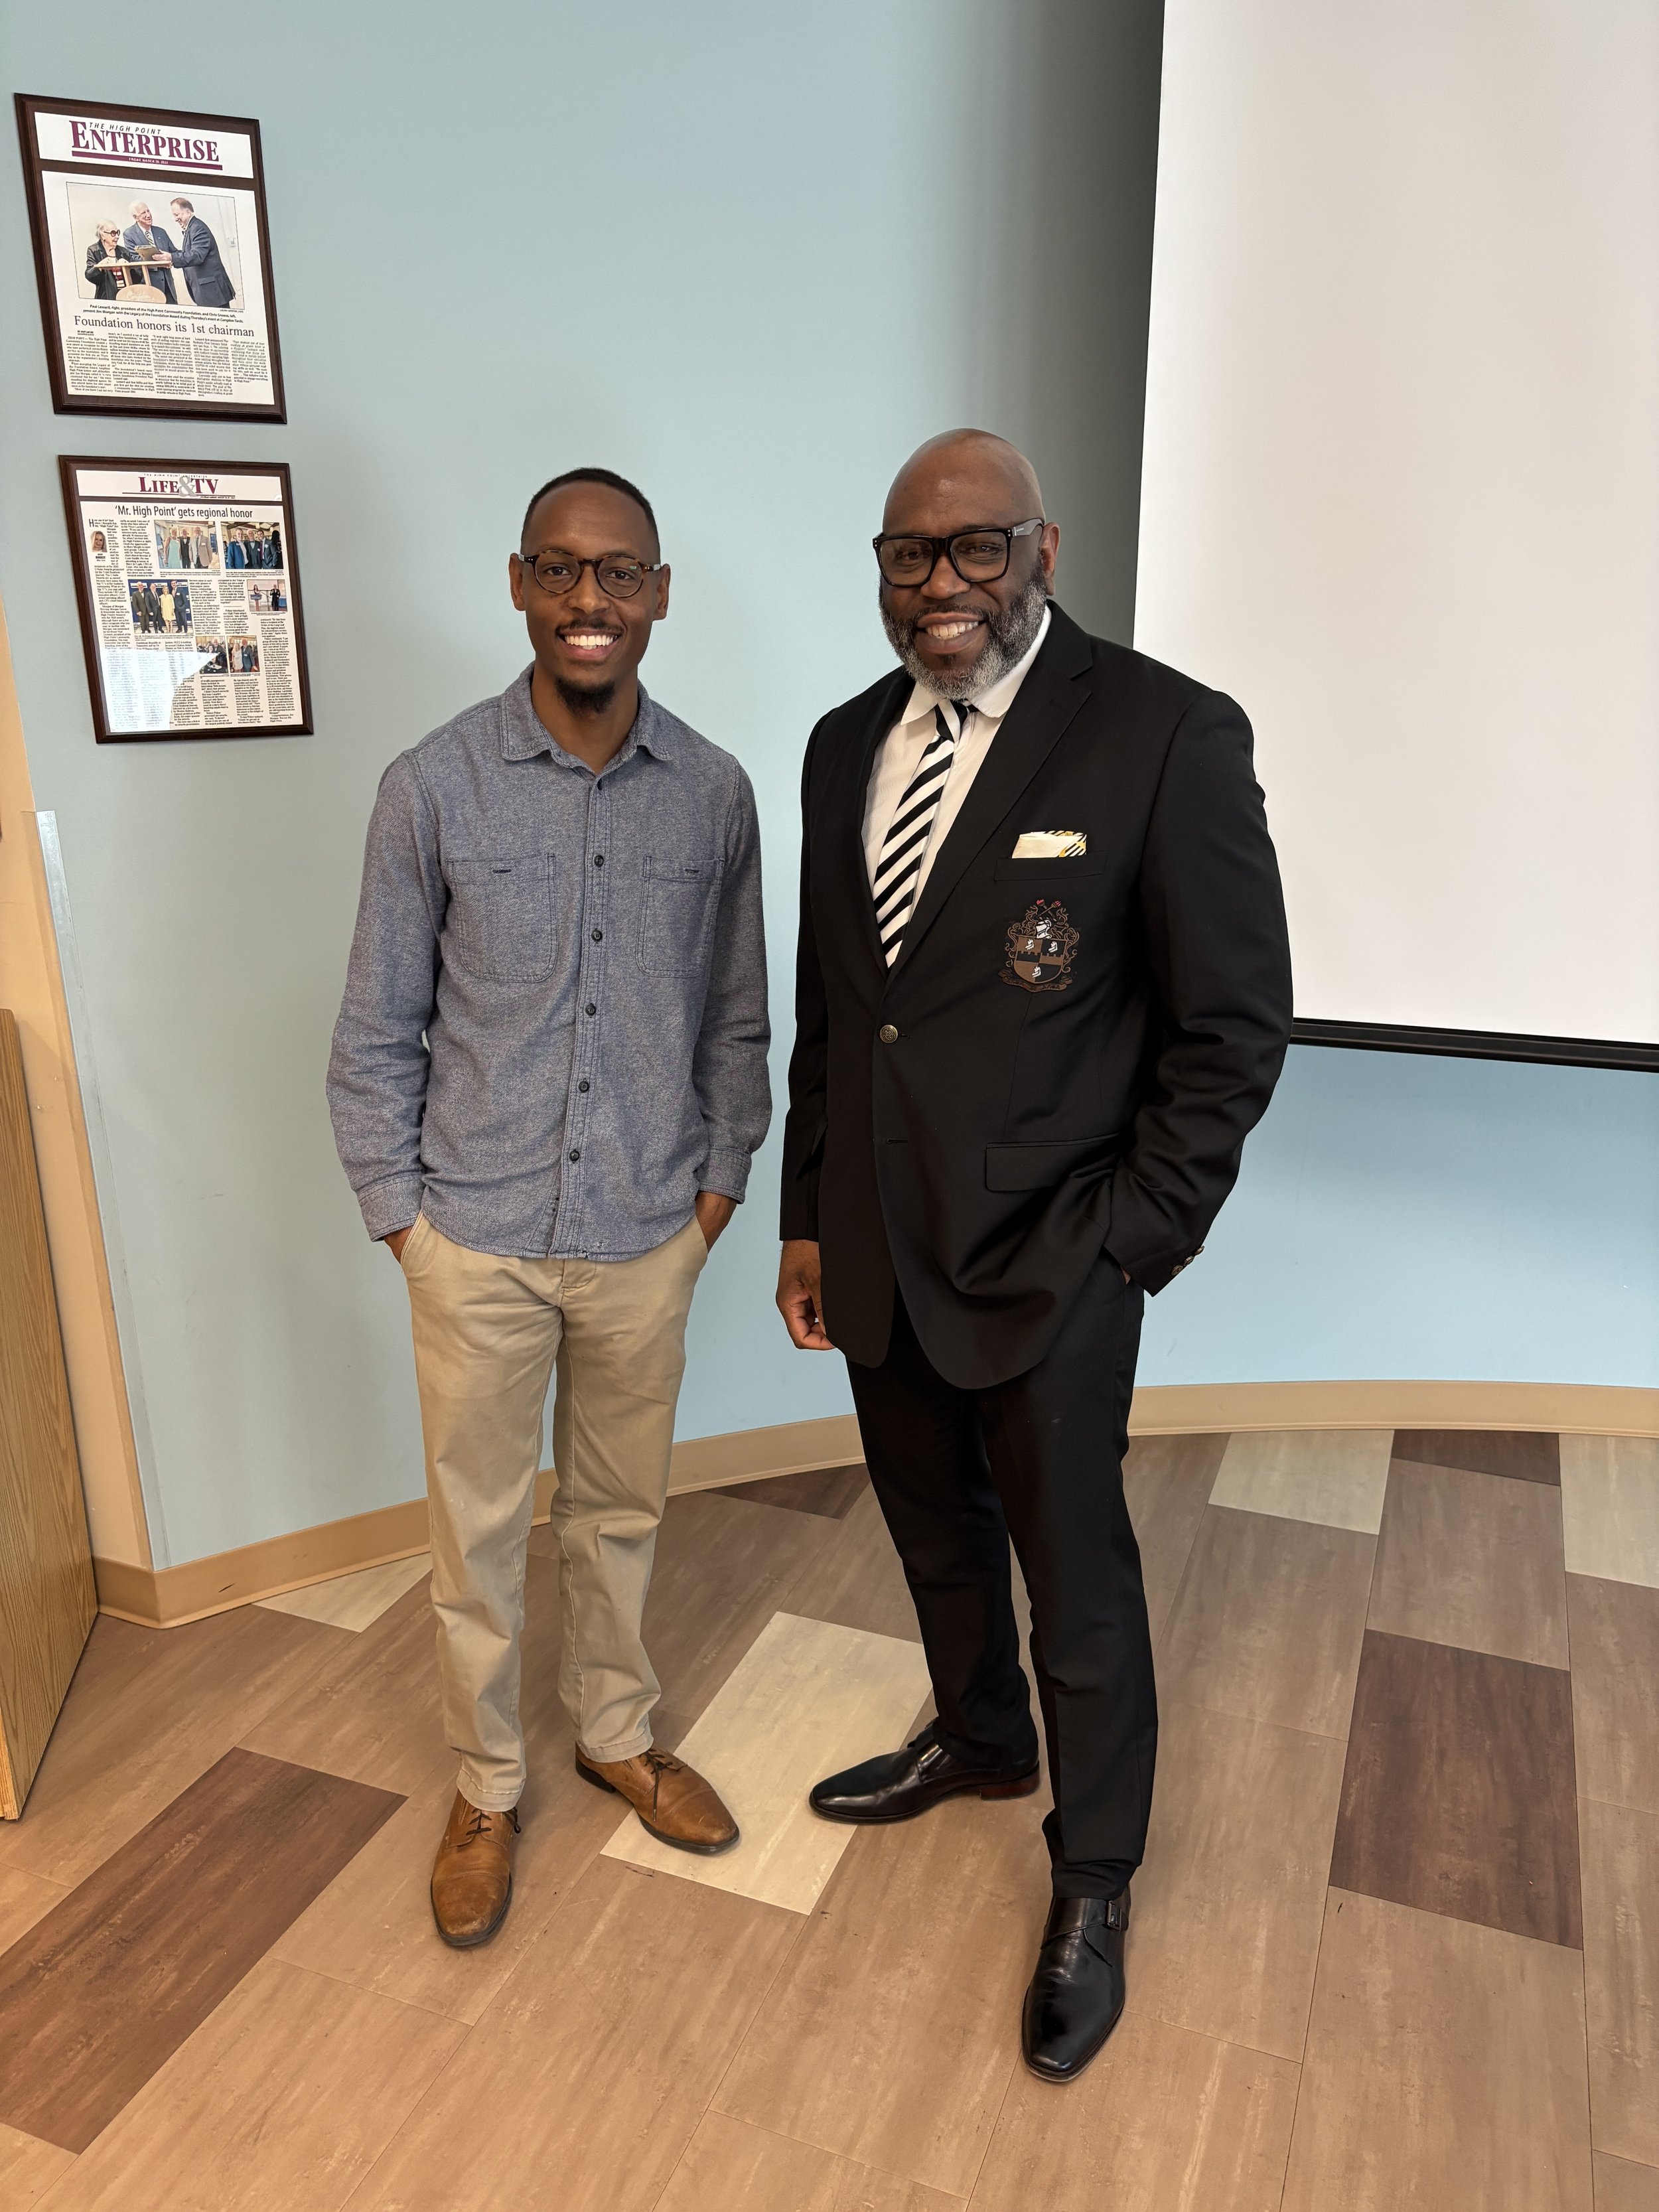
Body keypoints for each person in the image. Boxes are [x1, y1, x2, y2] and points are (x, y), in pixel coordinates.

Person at [777, 429, 1293, 2083]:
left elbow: (1231, 1029)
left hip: (1053, 1259)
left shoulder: (1163, 734)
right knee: (935, 1537)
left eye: (976, 548)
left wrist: (1131, 1243)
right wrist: (806, 1210)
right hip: (876, 1244)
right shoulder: (840, 743)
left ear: (1044, 547)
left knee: (1078, 1580)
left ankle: (1094, 1878)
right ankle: (981, 1742)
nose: (942, 584)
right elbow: (838, 1017)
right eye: (910, 554)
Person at [328, 465, 770, 1949]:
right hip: (477, 1238)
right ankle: (485, 1779)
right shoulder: (431, 785)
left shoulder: (712, 793)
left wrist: (714, 1193)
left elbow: (735, 1019)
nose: (592, 601)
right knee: (474, 1533)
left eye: (621, 574)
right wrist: (406, 1221)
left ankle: (616, 1733)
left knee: (620, 1515)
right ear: (518, 582)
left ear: (657, 594)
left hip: (647, 1232)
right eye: (563, 571)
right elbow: (377, 1027)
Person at [166, 198, 236, 308]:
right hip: (208, 293)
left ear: (188, 212)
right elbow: (191, 254)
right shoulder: (192, 228)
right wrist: (171, 257)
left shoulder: (198, 228)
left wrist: (172, 257)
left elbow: (197, 256)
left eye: (177, 215)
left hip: (212, 294)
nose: (175, 219)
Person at [122, 202, 178, 303]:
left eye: (148, 211)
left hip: (168, 287)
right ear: (136, 218)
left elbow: (174, 253)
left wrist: (175, 258)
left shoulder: (161, 232)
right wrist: (160, 261)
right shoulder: (129, 234)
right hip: (148, 287)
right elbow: (133, 259)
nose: (148, 215)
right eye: (144, 213)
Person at [84, 221, 135, 299]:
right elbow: (89, 275)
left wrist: (129, 267)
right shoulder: (94, 250)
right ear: (103, 235)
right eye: (113, 233)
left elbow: (138, 277)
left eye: (118, 232)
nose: (117, 236)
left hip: (127, 296)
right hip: (106, 298)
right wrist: (99, 267)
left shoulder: (124, 252)